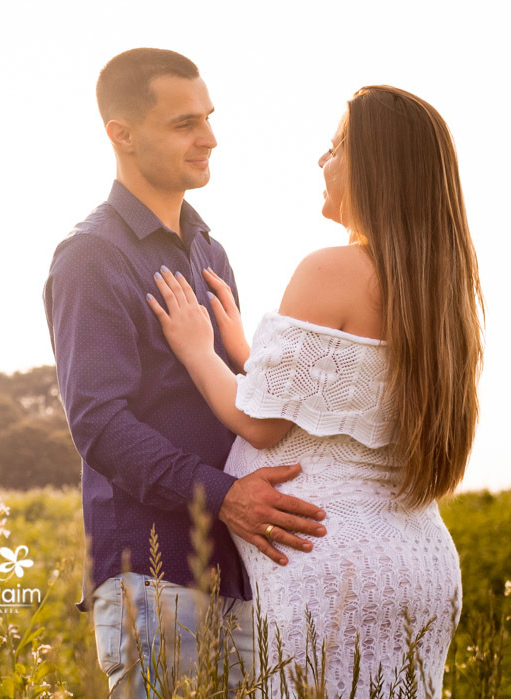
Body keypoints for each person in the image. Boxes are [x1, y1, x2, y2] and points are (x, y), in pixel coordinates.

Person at [146, 85, 482, 695]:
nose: (322, 163)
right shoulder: (442, 295)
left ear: (375, 165)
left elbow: (262, 424)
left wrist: (199, 350)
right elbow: (348, 395)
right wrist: (249, 354)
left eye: (335, 148)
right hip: (423, 564)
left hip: (334, 560)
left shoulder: (331, 268)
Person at [43, 48, 328, 696]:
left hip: (240, 568)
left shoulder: (209, 249)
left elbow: (238, 401)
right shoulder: (92, 255)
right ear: (121, 133)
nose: (210, 138)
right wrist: (224, 495)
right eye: (184, 124)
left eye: (208, 117)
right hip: (153, 572)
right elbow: (99, 424)